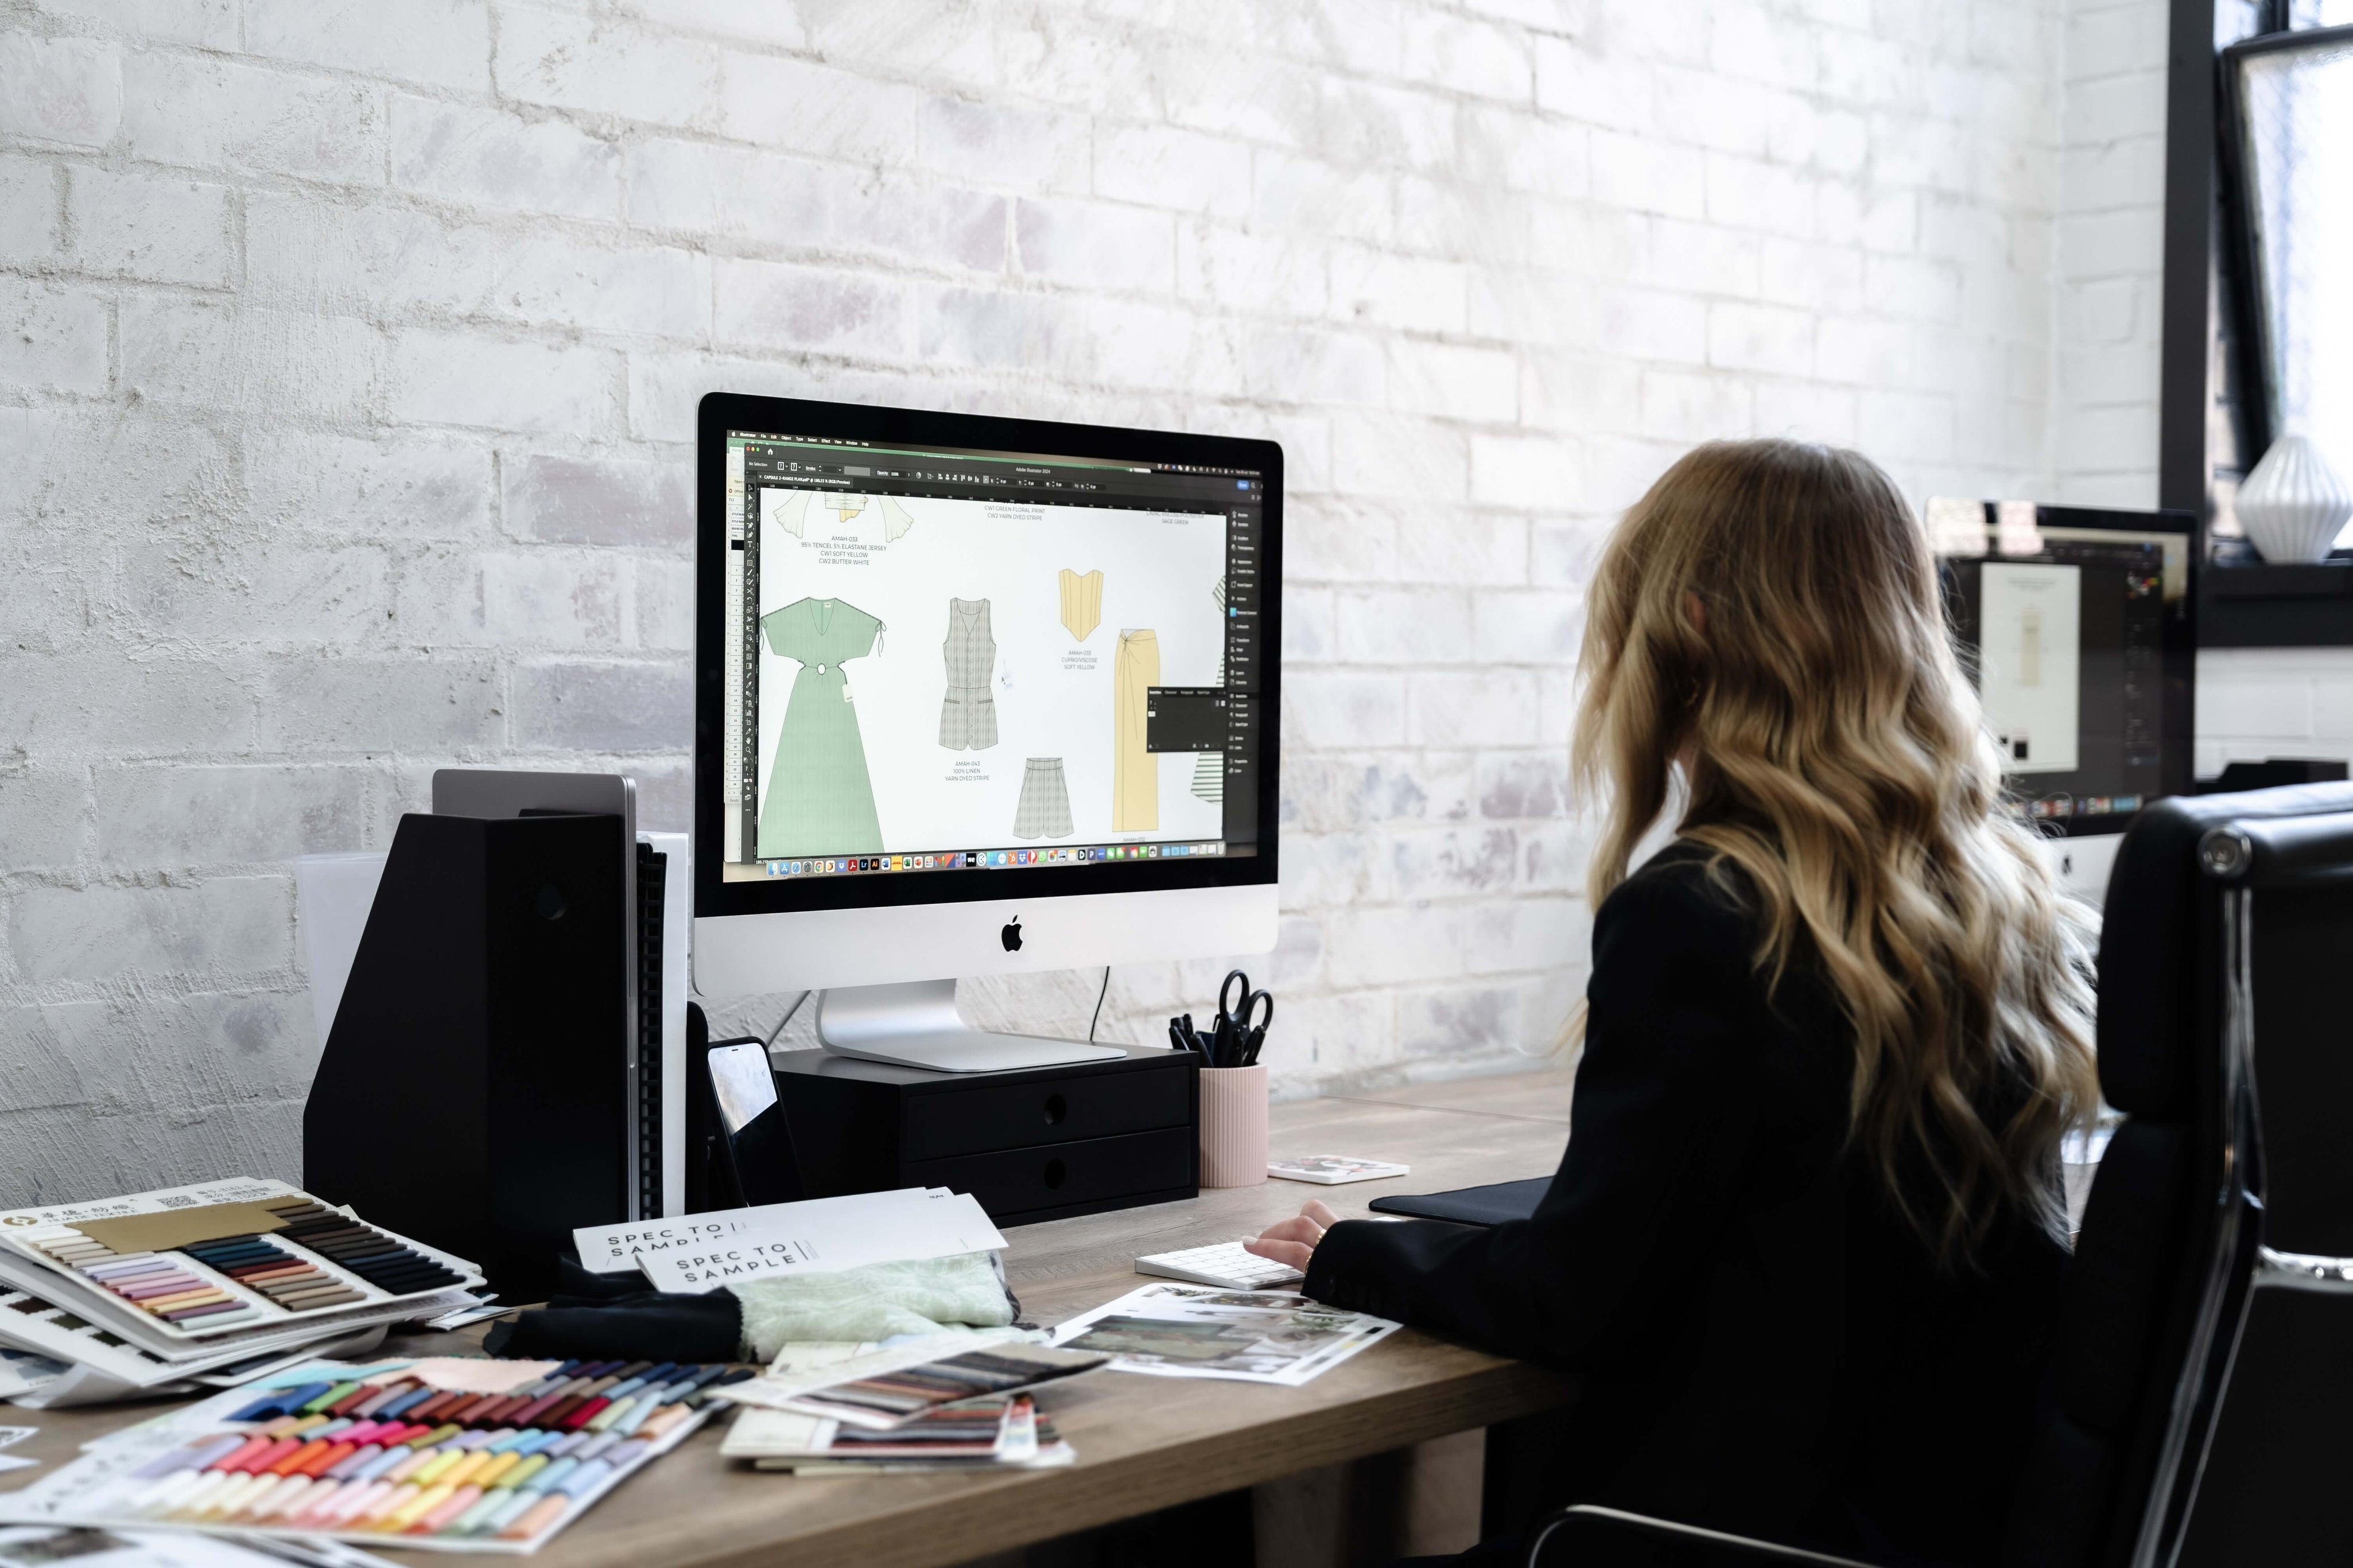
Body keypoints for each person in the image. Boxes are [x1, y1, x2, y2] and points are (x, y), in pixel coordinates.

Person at [1247, 440, 2100, 1567]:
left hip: (1725, 1539)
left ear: (1689, 627)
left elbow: (1576, 1298)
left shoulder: (1700, 912)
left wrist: (1352, 1252)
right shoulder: (1999, 897)